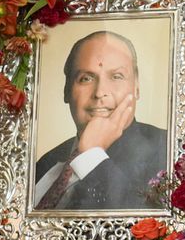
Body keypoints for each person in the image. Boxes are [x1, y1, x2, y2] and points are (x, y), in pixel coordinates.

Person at [34, 30, 169, 211]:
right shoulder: (47, 162)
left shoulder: (166, 151)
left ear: (136, 87)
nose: (99, 92)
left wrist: (91, 155)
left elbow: (129, 230)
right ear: (66, 90)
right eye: (86, 78)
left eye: (116, 76)